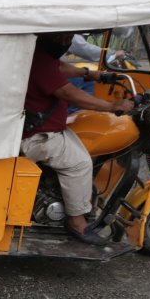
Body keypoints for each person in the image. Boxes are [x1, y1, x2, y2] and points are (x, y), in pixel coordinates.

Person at [22, 32, 135, 246]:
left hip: (45, 128)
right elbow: (69, 94)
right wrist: (112, 106)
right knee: (79, 164)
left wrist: (90, 74)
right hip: (37, 136)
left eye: (68, 39)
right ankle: (77, 222)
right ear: (49, 36)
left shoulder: (39, 55)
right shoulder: (40, 59)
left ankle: (78, 200)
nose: (66, 43)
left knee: (85, 142)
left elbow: (59, 68)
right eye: (64, 38)